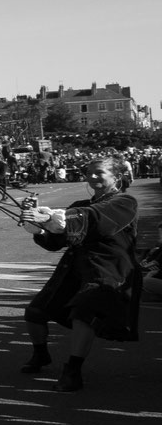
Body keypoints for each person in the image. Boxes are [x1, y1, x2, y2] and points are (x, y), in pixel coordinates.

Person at [20, 153, 140, 391]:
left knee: (84, 313)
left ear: (116, 177)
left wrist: (53, 217)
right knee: (35, 312)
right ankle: (41, 354)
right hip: (75, 266)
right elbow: (58, 240)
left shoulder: (125, 202)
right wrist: (39, 227)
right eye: (90, 172)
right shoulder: (79, 206)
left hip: (108, 268)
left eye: (100, 173)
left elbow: (94, 219)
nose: (92, 177)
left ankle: (73, 370)